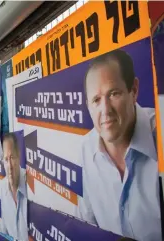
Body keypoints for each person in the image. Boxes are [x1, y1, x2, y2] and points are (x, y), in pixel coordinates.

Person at [76, 49, 161, 241]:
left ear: (134, 90)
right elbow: (87, 225)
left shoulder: (161, 138)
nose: (105, 110)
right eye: (96, 100)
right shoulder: (85, 150)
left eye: (114, 94)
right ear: (88, 105)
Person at [0, 133, 28, 241]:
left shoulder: (30, 185)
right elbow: (3, 230)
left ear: (19, 156)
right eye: (6, 159)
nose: (9, 166)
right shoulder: (2, 187)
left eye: (12, 158)